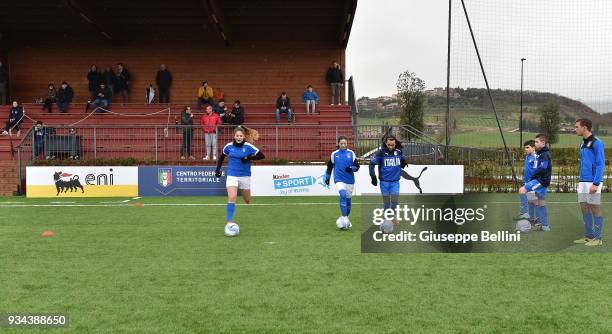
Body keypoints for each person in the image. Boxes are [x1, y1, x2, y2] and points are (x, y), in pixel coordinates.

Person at [214, 126, 265, 234]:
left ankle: (246, 199)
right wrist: (217, 170)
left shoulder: (248, 146)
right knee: (232, 197)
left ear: (243, 137)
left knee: (247, 200)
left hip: (245, 176)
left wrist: (248, 158)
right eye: (237, 135)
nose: (239, 137)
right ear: (234, 136)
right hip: (232, 175)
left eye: (241, 136)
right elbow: (221, 158)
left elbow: (262, 156)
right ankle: (229, 222)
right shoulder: (228, 146)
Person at [574, 118, 605, 246]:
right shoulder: (582, 143)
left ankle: (598, 239)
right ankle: (589, 235)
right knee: (584, 207)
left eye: (577, 127)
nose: (575, 129)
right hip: (583, 181)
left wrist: (596, 183)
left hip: (593, 182)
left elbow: (600, 164)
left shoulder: (597, 143)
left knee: (595, 208)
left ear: (584, 128)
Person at [369, 134, 407, 224]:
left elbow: (403, 162)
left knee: (394, 201)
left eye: (393, 145)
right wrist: (373, 177)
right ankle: (388, 219)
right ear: (385, 143)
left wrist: (403, 162)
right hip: (384, 182)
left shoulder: (399, 152)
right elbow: (371, 164)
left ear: (395, 143)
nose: (391, 146)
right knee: (386, 202)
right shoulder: (381, 153)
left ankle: (392, 216)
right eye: (389, 145)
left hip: (395, 182)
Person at [325, 136, 360, 228]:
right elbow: (329, 167)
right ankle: (344, 218)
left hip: (350, 180)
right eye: (341, 143)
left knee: (348, 200)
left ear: (347, 144)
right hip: (338, 179)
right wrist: (327, 177)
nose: (343, 145)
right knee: (343, 195)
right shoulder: (334, 154)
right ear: (338, 144)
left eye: (345, 143)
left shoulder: (351, 153)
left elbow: (357, 166)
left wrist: (351, 168)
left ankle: (346, 217)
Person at [519, 134, 552, 231]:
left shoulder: (544, 154)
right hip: (537, 180)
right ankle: (544, 225)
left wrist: (533, 178)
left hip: (540, 181)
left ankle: (525, 213)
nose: (535, 143)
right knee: (539, 202)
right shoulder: (541, 154)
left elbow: (543, 167)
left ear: (543, 143)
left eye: (536, 142)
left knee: (522, 191)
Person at [517, 140, 538, 221]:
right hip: (527, 181)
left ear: (533, 148)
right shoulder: (527, 157)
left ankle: (525, 213)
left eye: (527, 147)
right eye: (525, 148)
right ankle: (533, 218)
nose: (525, 149)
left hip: (533, 182)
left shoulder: (536, 158)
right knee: (531, 200)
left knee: (523, 192)